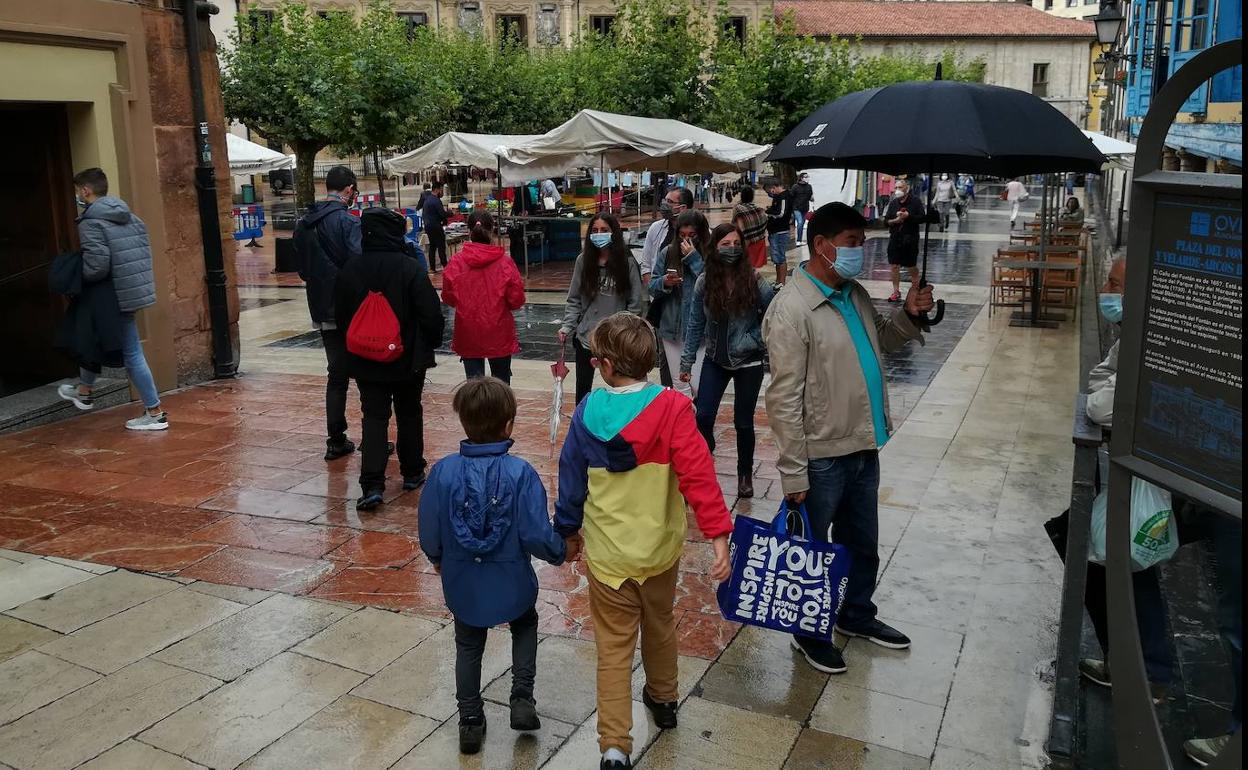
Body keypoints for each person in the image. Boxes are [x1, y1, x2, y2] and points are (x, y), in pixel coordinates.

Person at [553, 312, 732, 770]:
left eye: (595, 359)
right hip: (659, 551)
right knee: (660, 623)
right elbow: (698, 474)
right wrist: (717, 536)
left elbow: (571, 482)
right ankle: (664, 699)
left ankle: (614, 747)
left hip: (609, 557)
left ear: (608, 366)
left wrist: (568, 531)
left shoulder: (586, 414)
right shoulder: (673, 409)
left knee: (613, 649)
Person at [763, 202, 934, 675]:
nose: (862, 249)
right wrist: (794, 468)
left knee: (863, 544)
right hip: (821, 454)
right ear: (822, 245)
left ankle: (855, 614)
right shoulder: (792, 309)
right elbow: (783, 398)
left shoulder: (852, 293)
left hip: (862, 444)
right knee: (813, 552)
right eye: (854, 242)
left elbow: (882, 339)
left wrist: (910, 314)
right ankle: (808, 632)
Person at [418, 377, 569, 756]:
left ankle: (470, 719)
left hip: (463, 579)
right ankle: (521, 697)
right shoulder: (521, 474)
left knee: (468, 643)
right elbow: (536, 533)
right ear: (509, 425)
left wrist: (438, 559)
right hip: (511, 578)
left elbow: (429, 527)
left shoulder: (442, 472)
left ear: (464, 423)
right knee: (525, 623)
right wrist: (558, 551)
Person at [1077, 258, 1175, 704]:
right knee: (1131, 567)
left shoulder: (1158, 340)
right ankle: (1138, 666)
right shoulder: (1129, 338)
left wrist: (1111, 392)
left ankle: (1148, 673)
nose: (1106, 290)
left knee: (1128, 561)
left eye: (1115, 284)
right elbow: (1099, 378)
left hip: (1165, 479)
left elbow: (1100, 407)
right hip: (1140, 473)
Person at [333, 208, 445, 510]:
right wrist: (429, 344)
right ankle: (411, 472)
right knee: (409, 413)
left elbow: (341, 315)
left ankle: (371, 484)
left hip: (366, 359)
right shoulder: (410, 269)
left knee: (374, 416)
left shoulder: (350, 269)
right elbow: (431, 315)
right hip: (407, 359)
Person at [56, 167, 167, 431]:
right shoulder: (128, 215)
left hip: (113, 295)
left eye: (77, 191)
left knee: (131, 353)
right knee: (93, 336)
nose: (77, 196)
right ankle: (84, 391)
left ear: (86, 191)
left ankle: (154, 412)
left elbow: (97, 266)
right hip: (132, 290)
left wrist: (74, 274)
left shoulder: (92, 222)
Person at [680, 223, 775, 498]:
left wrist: (752, 340)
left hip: (749, 362)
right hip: (715, 359)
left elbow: (774, 316)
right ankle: (702, 466)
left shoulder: (755, 280)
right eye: (725, 244)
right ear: (714, 247)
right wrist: (686, 363)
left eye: (736, 244)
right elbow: (695, 325)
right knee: (703, 416)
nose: (732, 249)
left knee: (743, 422)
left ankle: (745, 473)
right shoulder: (704, 281)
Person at [293, 165, 362, 458]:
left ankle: (336, 438)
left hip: (323, 309)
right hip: (352, 309)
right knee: (369, 375)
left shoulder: (303, 224)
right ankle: (374, 436)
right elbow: (360, 265)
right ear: (348, 190)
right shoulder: (348, 223)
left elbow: (303, 271)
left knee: (336, 374)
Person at [559, 214, 644, 405]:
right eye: (595, 231)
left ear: (613, 233)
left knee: (620, 387)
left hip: (615, 339)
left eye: (604, 230)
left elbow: (635, 303)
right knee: (583, 389)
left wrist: (625, 333)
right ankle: (583, 424)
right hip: (586, 336)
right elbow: (574, 299)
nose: (599, 235)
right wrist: (567, 327)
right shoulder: (583, 261)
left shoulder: (627, 263)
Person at [441, 212, 525, 384]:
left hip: (468, 330)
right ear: (492, 229)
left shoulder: (456, 262)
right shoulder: (505, 263)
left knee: (473, 388)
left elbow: (448, 297)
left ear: (469, 230)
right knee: (501, 385)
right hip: (499, 331)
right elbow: (516, 300)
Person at [650, 211, 709, 399]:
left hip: (701, 331)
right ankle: (685, 424)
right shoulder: (668, 252)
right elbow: (652, 286)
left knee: (699, 384)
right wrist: (664, 282)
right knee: (680, 385)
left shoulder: (710, 253)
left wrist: (693, 259)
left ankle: (700, 421)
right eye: (682, 236)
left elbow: (714, 285)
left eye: (692, 235)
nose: (686, 240)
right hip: (672, 328)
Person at [882, 179, 924, 304]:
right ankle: (896, 291)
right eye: (896, 188)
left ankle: (916, 287)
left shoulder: (915, 201)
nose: (897, 190)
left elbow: (922, 218)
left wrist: (908, 217)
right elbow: (886, 221)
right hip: (895, 237)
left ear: (906, 189)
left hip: (910, 237)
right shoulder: (894, 203)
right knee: (894, 265)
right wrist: (894, 221)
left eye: (900, 187)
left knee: (911, 265)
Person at [638, 187, 693, 282]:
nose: (664, 205)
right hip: (660, 291)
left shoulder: (701, 231)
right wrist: (653, 289)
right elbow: (646, 264)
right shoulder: (656, 228)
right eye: (665, 200)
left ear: (682, 208)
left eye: (669, 202)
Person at [732, 185, 769, 269]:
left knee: (744, 268)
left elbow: (734, 224)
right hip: (758, 242)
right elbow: (765, 221)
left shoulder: (738, 209)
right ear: (752, 196)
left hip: (745, 243)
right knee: (754, 268)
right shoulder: (759, 209)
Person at [764, 178, 793, 285]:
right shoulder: (778, 197)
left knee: (780, 258)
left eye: (769, 191)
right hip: (775, 231)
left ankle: (781, 281)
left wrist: (768, 213)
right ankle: (778, 281)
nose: (770, 194)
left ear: (774, 188)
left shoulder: (784, 197)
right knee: (777, 258)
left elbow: (781, 213)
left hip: (780, 231)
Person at [423, 181, 450, 272]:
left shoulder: (427, 199)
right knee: (441, 247)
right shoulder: (436, 200)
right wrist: (451, 213)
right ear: (437, 189)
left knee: (432, 247)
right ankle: (445, 266)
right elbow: (442, 214)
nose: (442, 192)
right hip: (435, 226)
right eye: (441, 190)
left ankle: (432, 268)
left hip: (428, 226)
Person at [791, 172, 814, 246]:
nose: (807, 178)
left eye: (808, 176)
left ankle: (800, 240)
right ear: (801, 178)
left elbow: (810, 197)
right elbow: (791, 196)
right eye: (805, 177)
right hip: (796, 208)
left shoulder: (809, 186)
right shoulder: (795, 187)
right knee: (800, 223)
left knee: (802, 223)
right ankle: (798, 240)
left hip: (805, 208)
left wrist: (812, 199)